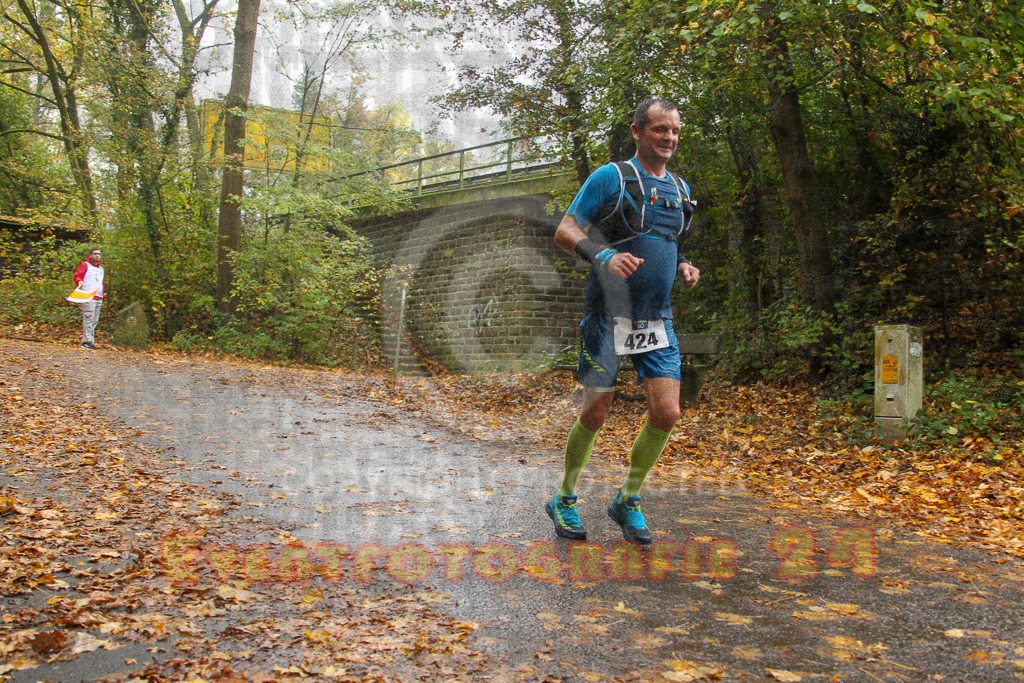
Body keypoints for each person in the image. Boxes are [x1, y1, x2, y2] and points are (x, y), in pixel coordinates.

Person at [546, 98, 701, 545]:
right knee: (595, 413)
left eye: (674, 131)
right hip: (606, 318)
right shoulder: (610, 178)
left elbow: (670, 244)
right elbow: (566, 230)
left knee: (667, 412)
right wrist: (604, 254)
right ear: (637, 131)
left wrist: (685, 266)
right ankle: (565, 498)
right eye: (659, 130)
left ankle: (627, 499)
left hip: (657, 319)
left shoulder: (679, 189)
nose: (668, 138)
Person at [74, 248, 105, 349]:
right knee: (88, 318)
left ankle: (90, 341)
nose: (97, 256)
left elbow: (101, 282)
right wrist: (79, 281)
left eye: (99, 254)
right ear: (91, 255)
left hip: (98, 296)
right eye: (95, 254)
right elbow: (78, 276)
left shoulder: (101, 269)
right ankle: (86, 341)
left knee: (95, 320)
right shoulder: (85, 265)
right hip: (88, 295)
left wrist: (102, 294)